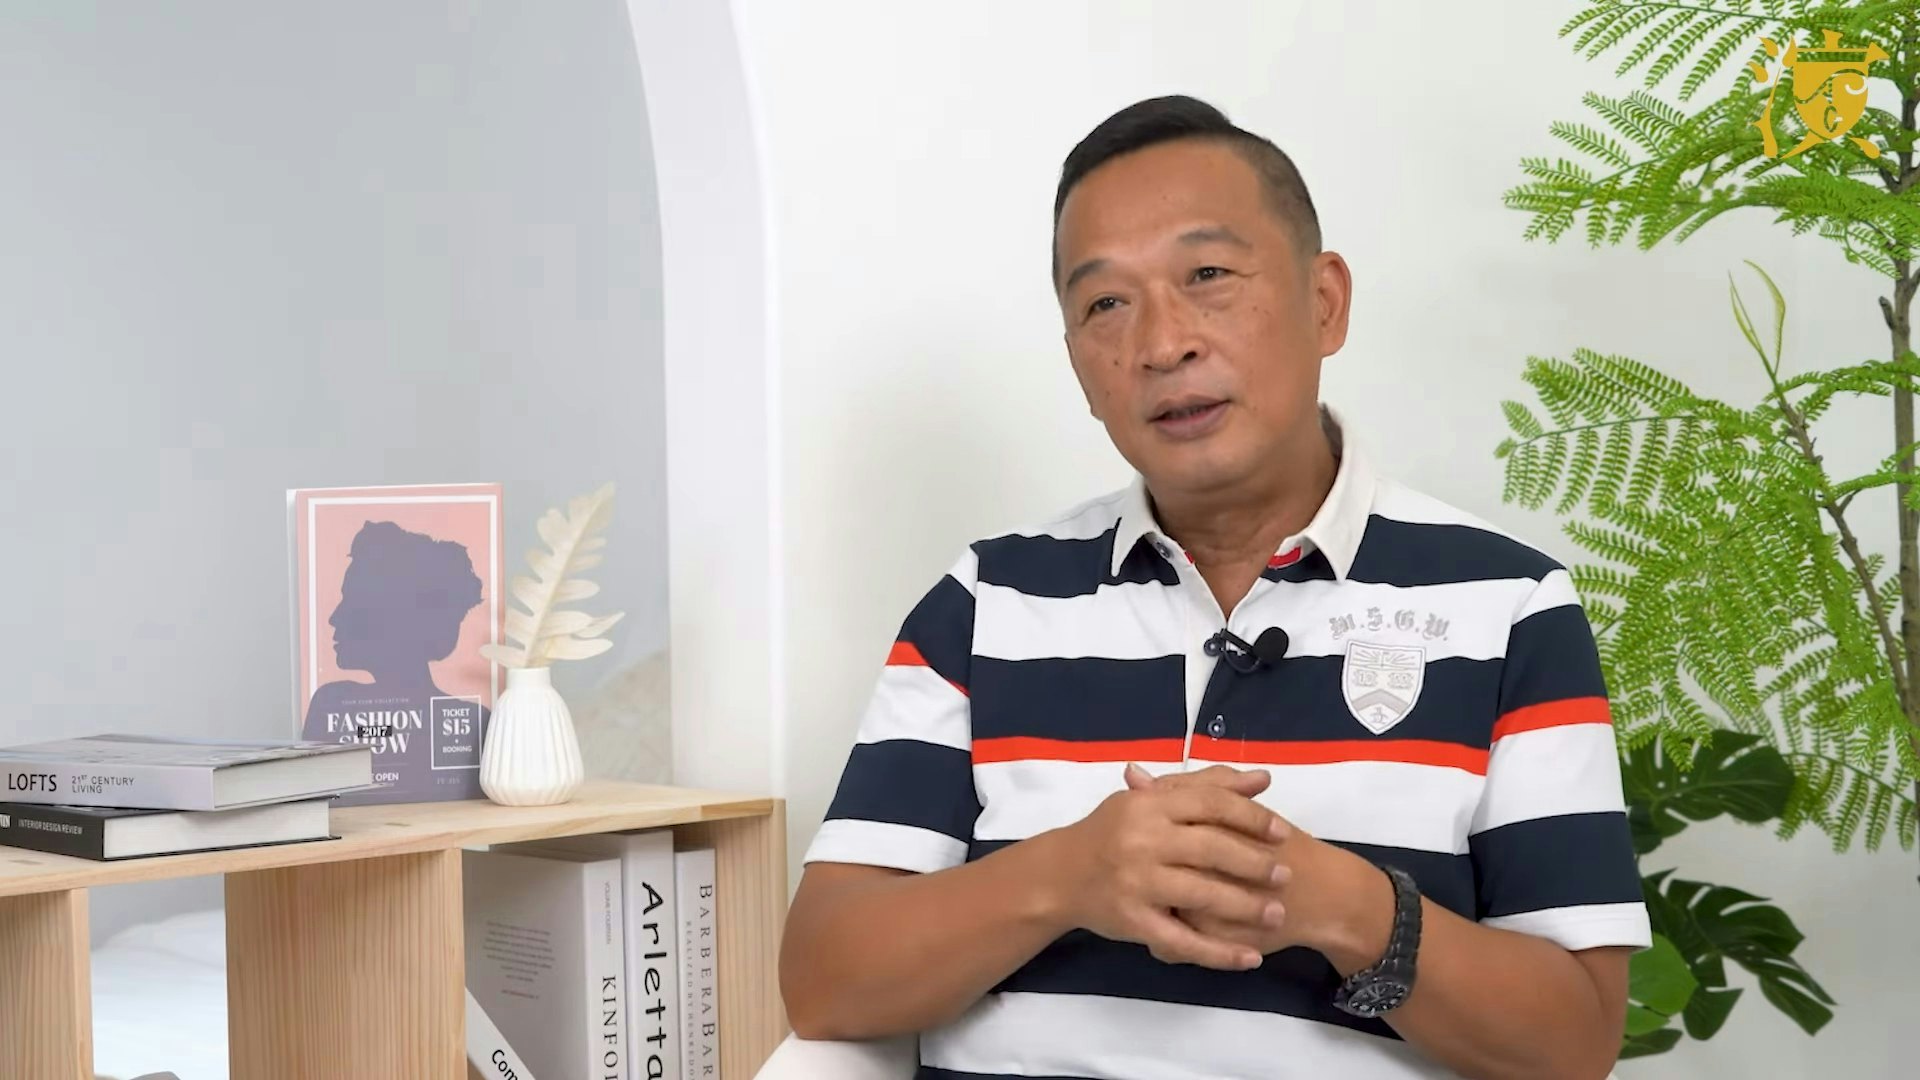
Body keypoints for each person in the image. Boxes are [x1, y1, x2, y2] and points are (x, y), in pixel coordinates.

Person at [780, 95, 1648, 1080]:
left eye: (1208, 276)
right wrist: (1070, 874)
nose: (1162, 344)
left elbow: (1575, 1041)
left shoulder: (1511, 605)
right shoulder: (985, 602)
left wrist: (1345, 909)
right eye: (1105, 304)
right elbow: (823, 980)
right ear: (1077, 361)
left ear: (1325, 302)